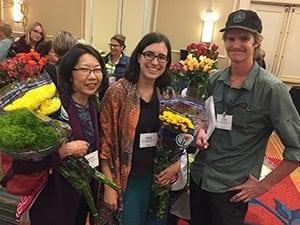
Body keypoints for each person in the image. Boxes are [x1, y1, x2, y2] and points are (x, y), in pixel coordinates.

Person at [190, 9, 300, 225]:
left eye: (244, 38)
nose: (236, 44)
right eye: (230, 38)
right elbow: (204, 116)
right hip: (200, 177)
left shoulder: (271, 89)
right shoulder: (215, 80)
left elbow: (297, 149)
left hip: (231, 189)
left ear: (256, 42)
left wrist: (263, 185)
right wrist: (199, 129)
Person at [5, 44, 107, 225]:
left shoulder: (94, 105)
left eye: (97, 70)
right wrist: (62, 152)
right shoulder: (52, 108)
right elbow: (23, 162)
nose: (92, 76)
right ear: (69, 74)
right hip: (53, 198)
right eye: (85, 70)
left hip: (83, 195)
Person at [99, 32, 180, 225]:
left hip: (158, 180)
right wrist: (109, 185)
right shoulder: (117, 93)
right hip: (127, 180)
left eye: (162, 57)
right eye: (149, 54)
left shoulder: (168, 94)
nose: (155, 62)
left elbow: (180, 139)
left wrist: (175, 167)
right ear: (138, 56)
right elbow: (105, 142)